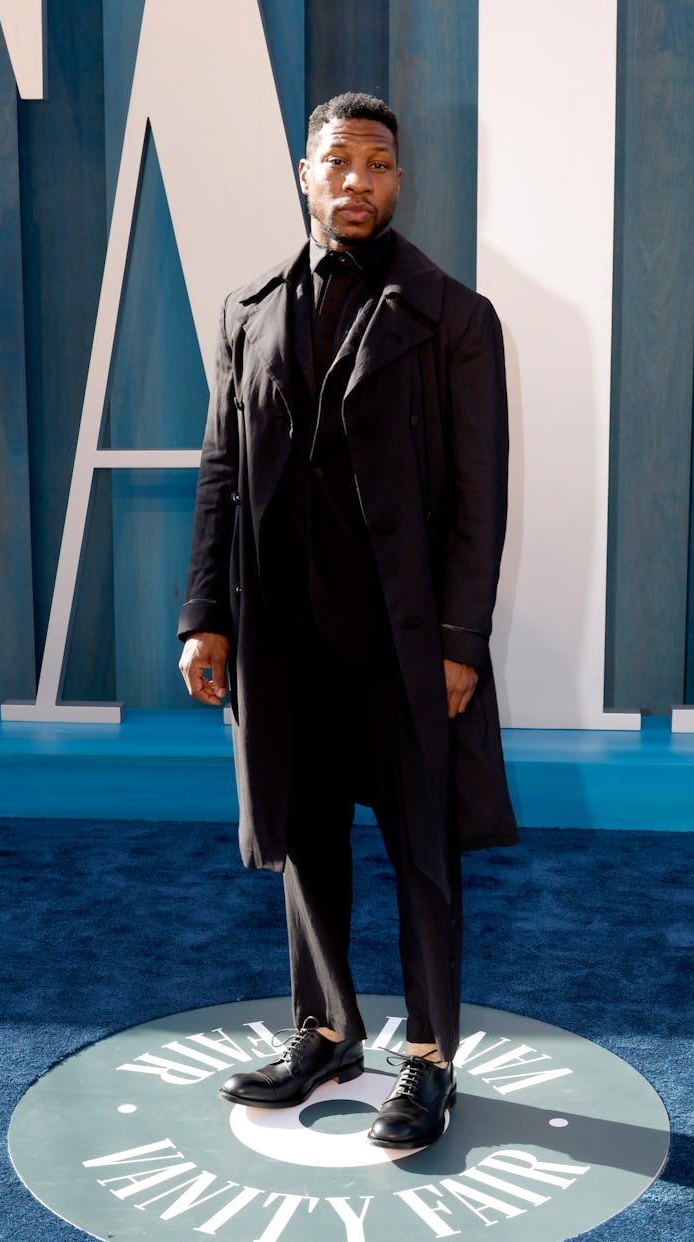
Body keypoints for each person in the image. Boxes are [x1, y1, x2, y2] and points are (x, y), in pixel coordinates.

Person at [179, 92, 517, 1149]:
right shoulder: (247, 310)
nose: (357, 181)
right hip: (284, 635)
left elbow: (480, 495)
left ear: (399, 182)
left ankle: (428, 1058)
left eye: (377, 164)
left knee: (423, 848)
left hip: (405, 641)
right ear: (304, 171)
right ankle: (326, 1029)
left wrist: (461, 640)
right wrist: (206, 616)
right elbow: (221, 473)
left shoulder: (455, 317)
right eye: (338, 161)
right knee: (306, 840)